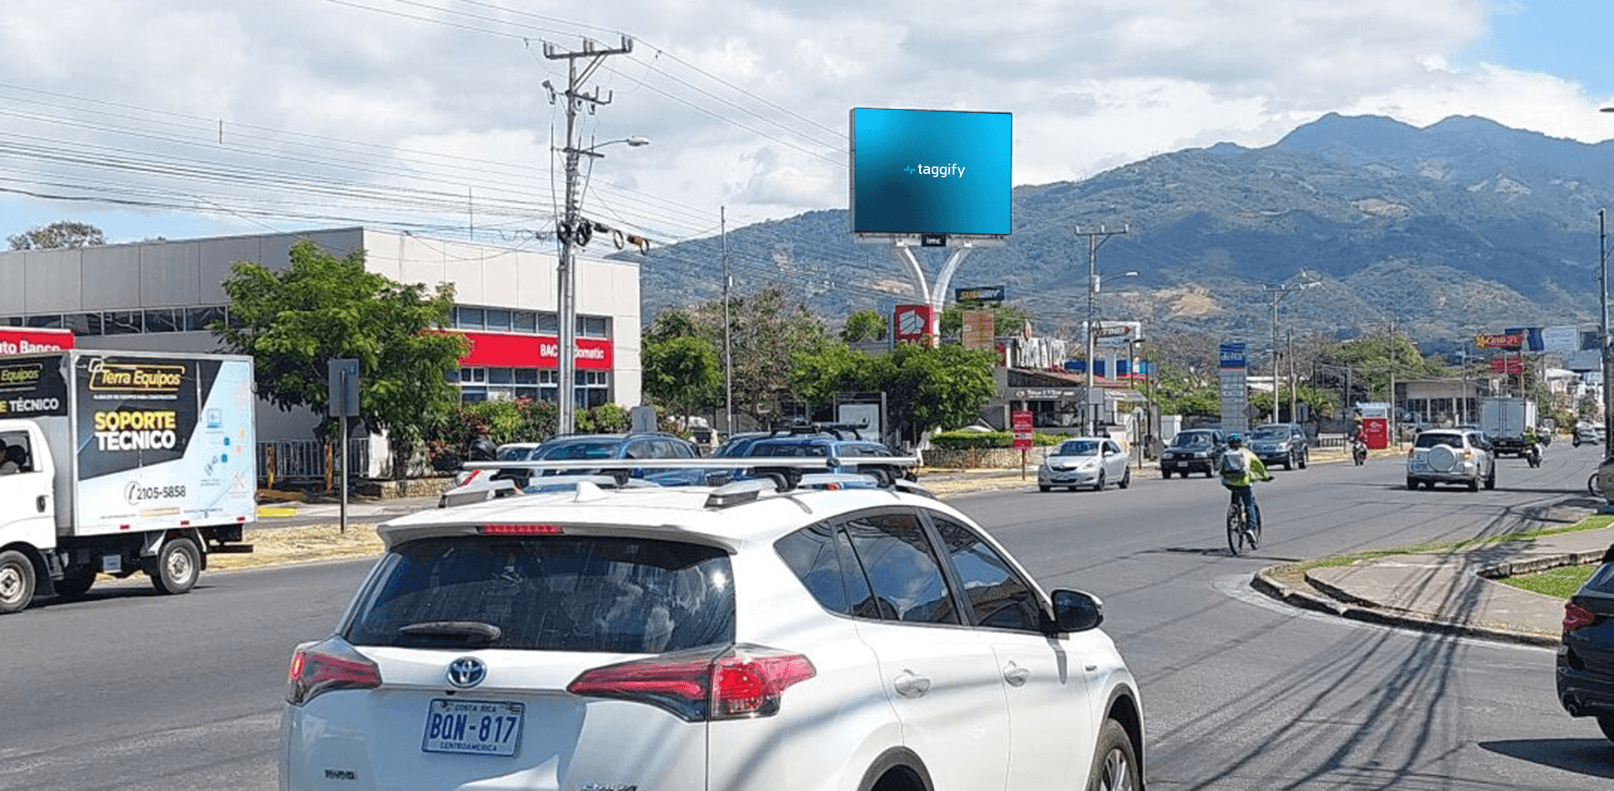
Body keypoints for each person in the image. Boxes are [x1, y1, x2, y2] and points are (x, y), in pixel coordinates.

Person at [1219, 433, 1271, 535]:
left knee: (1235, 500)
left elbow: (1221, 470)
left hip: (1231, 484)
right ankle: (1251, 528)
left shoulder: (1225, 454)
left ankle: (1234, 516)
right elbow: (1259, 466)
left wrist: (1226, 480)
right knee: (1249, 505)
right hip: (1244, 483)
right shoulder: (1247, 453)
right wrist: (1265, 477)